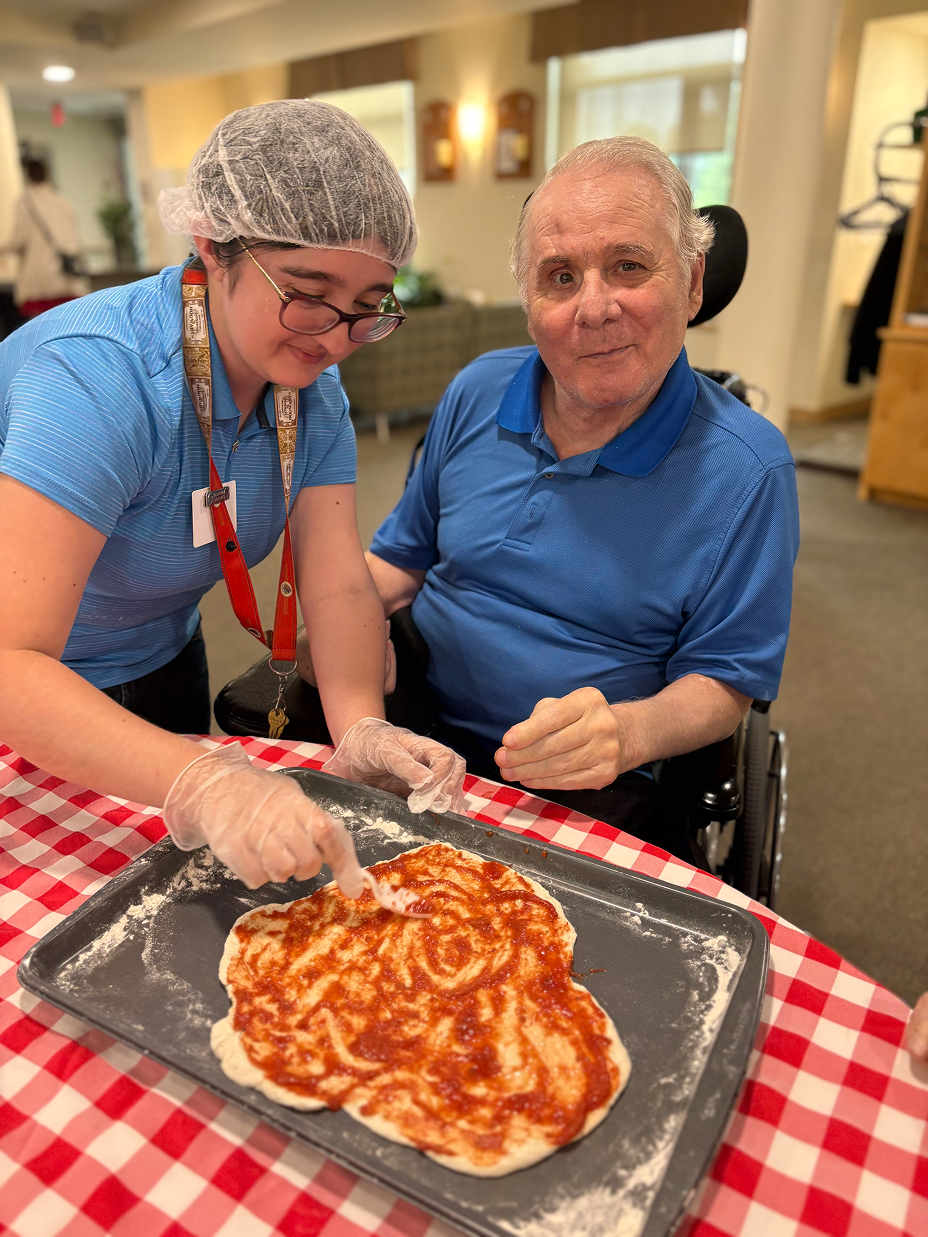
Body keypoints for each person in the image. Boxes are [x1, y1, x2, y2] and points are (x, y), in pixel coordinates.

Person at [0, 101, 465, 897]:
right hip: (33, 696)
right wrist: (206, 781)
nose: (334, 337)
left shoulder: (311, 392)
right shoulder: (100, 376)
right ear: (214, 244)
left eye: (368, 306)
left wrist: (358, 725)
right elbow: (12, 661)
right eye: (311, 292)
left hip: (164, 659)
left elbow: (338, 579)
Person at [358, 137, 800, 860]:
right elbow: (401, 557)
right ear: (529, 306)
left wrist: (630, 732)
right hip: (413, 728)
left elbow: (726, 683)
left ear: (691, 283)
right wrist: (335, 617)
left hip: (593, 785)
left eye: (628, 266)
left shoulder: (748, 471)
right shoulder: (475, 392)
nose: (594, 308)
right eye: (559, 276)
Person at [3, 158, 88, 318]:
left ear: (27, 176)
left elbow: (18, 240)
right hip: (66, 277)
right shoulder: (63, 202)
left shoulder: (25, 204)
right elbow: (76, 241)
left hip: (39, 280)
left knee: (41, 331)